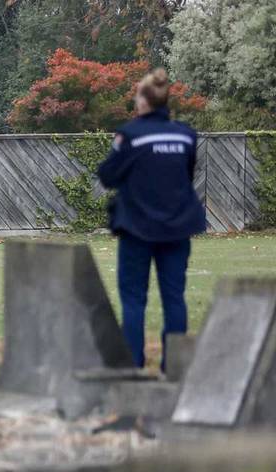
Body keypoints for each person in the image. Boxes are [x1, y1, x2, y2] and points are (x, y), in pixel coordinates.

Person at [96, 69, 206, 374]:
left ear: (144, 102)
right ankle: (175, 367)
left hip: (137, 227)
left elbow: (108, 175)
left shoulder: (129, 135)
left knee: (133, 299)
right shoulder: (185, 134)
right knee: (174, 298)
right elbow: (186, 174)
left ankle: (133, 365)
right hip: (177, 226)